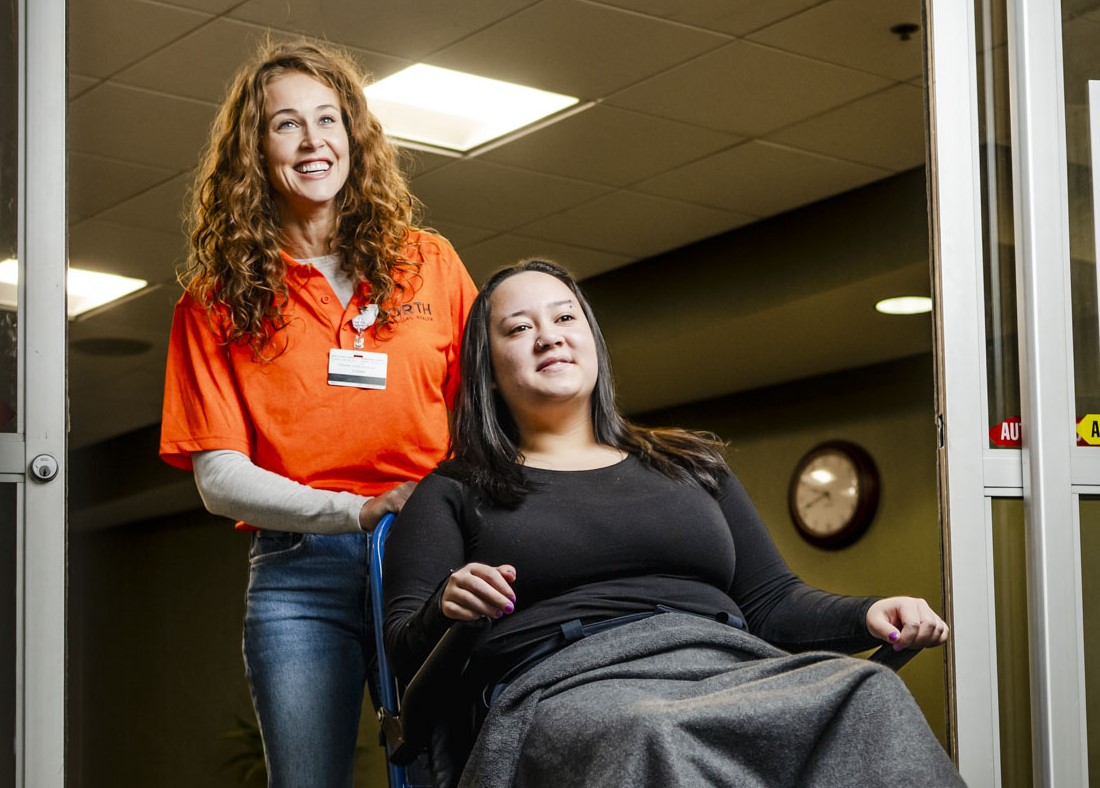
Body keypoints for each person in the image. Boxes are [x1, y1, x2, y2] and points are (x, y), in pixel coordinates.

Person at [383, 259, 965, 787]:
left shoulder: (688, 463)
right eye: (518, 328)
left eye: (565, 317)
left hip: (725, 665)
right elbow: (406, 659)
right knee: (650, 730)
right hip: (570, 687)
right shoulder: (453, 491)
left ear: (592, 341)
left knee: (870, 692)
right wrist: (446, 605)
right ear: (486, 369)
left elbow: (772, 602)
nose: (549, 335)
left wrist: (867, 614)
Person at [159, 40, 478, 787]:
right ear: (253, 150)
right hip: (298, 573)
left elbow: (483, 421)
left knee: (448, 771)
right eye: (286, 125)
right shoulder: (213, 302)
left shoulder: (427, 263)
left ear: (354, 137)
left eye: (328, 120)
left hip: (429, 557)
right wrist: (357, 512)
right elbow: (219, 477)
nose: (313, 142)